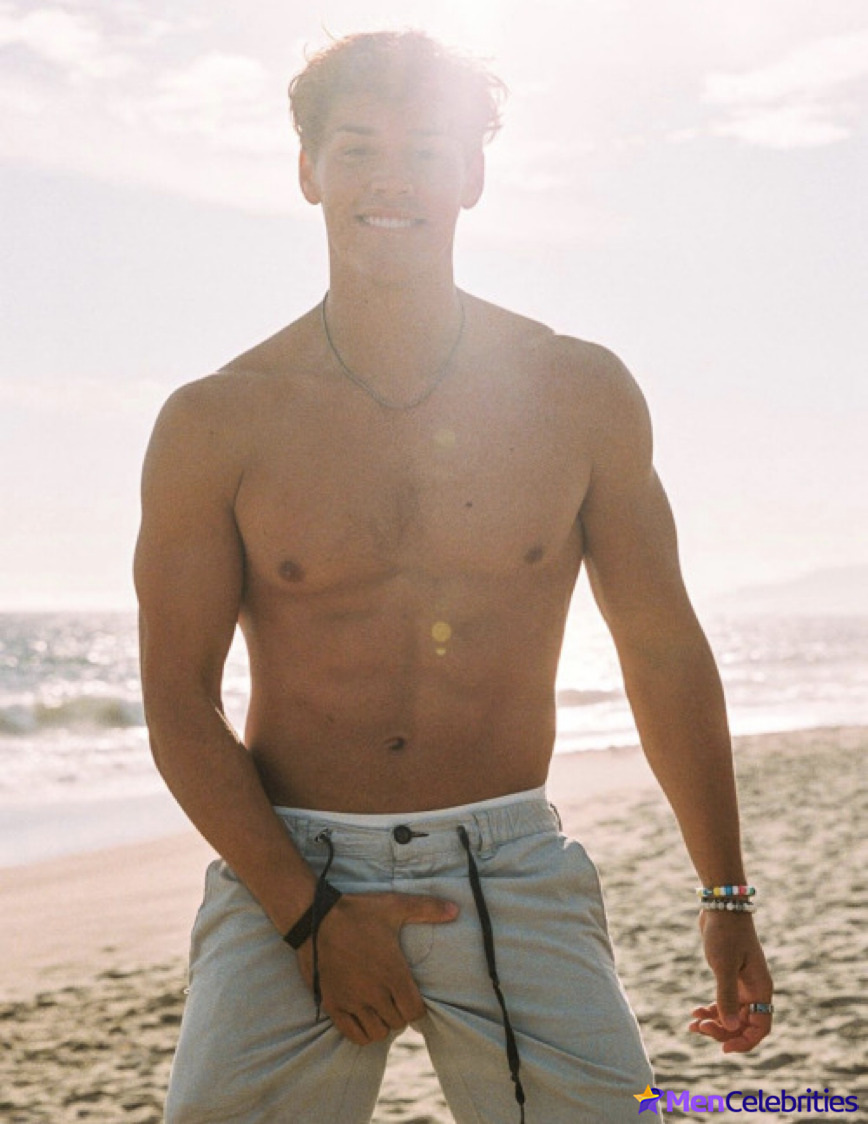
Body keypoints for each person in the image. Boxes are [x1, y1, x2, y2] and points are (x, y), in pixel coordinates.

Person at [134, 30, 773, 1124]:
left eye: (426, 151)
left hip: (510, 860)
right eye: (357, 149)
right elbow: (177, 701)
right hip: (288, 861)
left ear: (472, 174)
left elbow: (661, 647)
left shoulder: (576, 391)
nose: (392, 180)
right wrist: (309, 916)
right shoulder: (216, 421)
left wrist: (724, 893)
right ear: (308, 171)